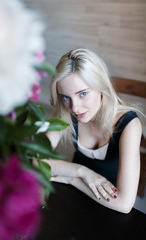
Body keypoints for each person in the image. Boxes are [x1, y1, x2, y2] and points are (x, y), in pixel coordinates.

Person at [41, 48, 145, 214]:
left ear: (101, 86)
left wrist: (73, 179)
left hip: (108, 202)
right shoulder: (66, 110)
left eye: (83, 94)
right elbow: (37, 160)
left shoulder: (129, 124)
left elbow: (124, 204)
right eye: (66, 97)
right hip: (74, 196)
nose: (75, 107)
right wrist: (82, 172)